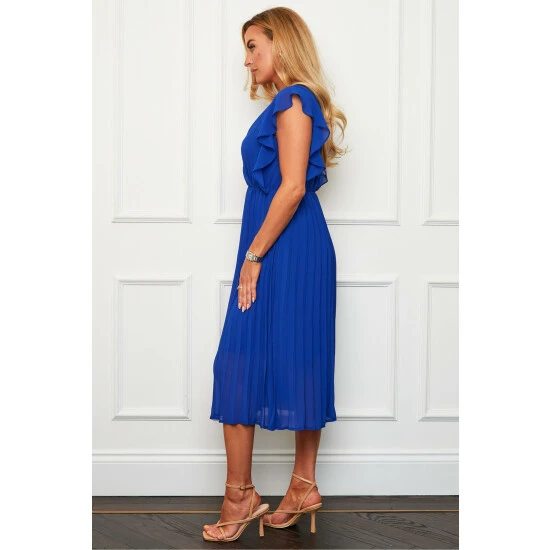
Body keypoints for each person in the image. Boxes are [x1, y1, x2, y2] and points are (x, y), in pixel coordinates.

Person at [203, 6, 348, 543]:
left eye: (252, 46)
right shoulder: (289, 103)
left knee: (275, 358)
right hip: (281, 243)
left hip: (288, 248)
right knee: (256, 359)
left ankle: (251, 494)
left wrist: (253, 256)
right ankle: (275, 488)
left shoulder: (294, 101)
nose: (246, 60)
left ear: (280, 45)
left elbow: (291, 188)